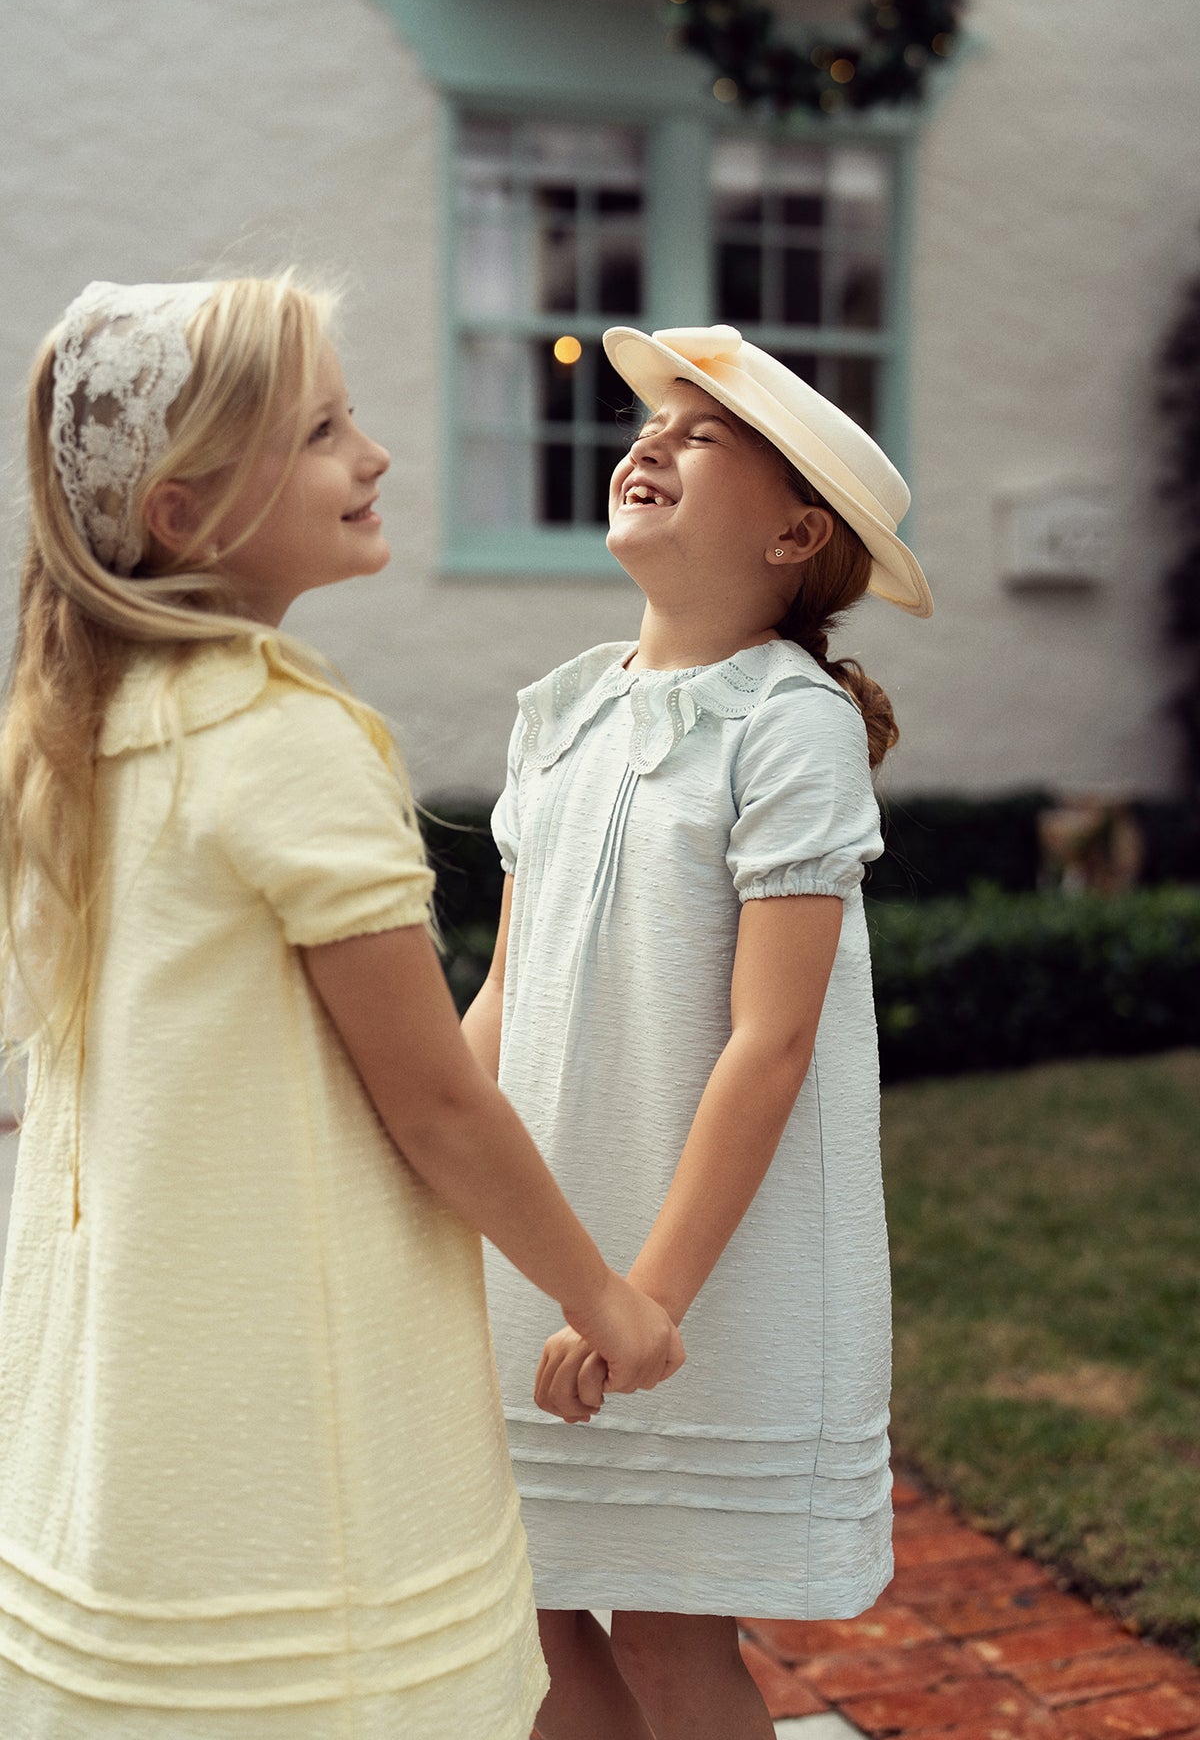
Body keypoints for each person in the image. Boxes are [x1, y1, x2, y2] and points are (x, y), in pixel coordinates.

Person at [0, 275, 683, 1739]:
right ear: (185, 513)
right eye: (320, 431)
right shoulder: (281, 739)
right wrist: (602, 1293)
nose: (371, 456)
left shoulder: (76, 729)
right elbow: (433, 1100)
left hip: (144, 1368)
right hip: (293, 1365)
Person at [463, 324, 934, 1740]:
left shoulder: (789, 724)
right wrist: (407, 1151)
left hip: (694, 1261)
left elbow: (771, 1043)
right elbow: (506, 991)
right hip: (540, 1236)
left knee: (669, 1635)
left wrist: (650, 1292)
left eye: (701, 433)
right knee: (517, 1623)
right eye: (647, 422)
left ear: (797, 532)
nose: (650, 441)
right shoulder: (560, 712)